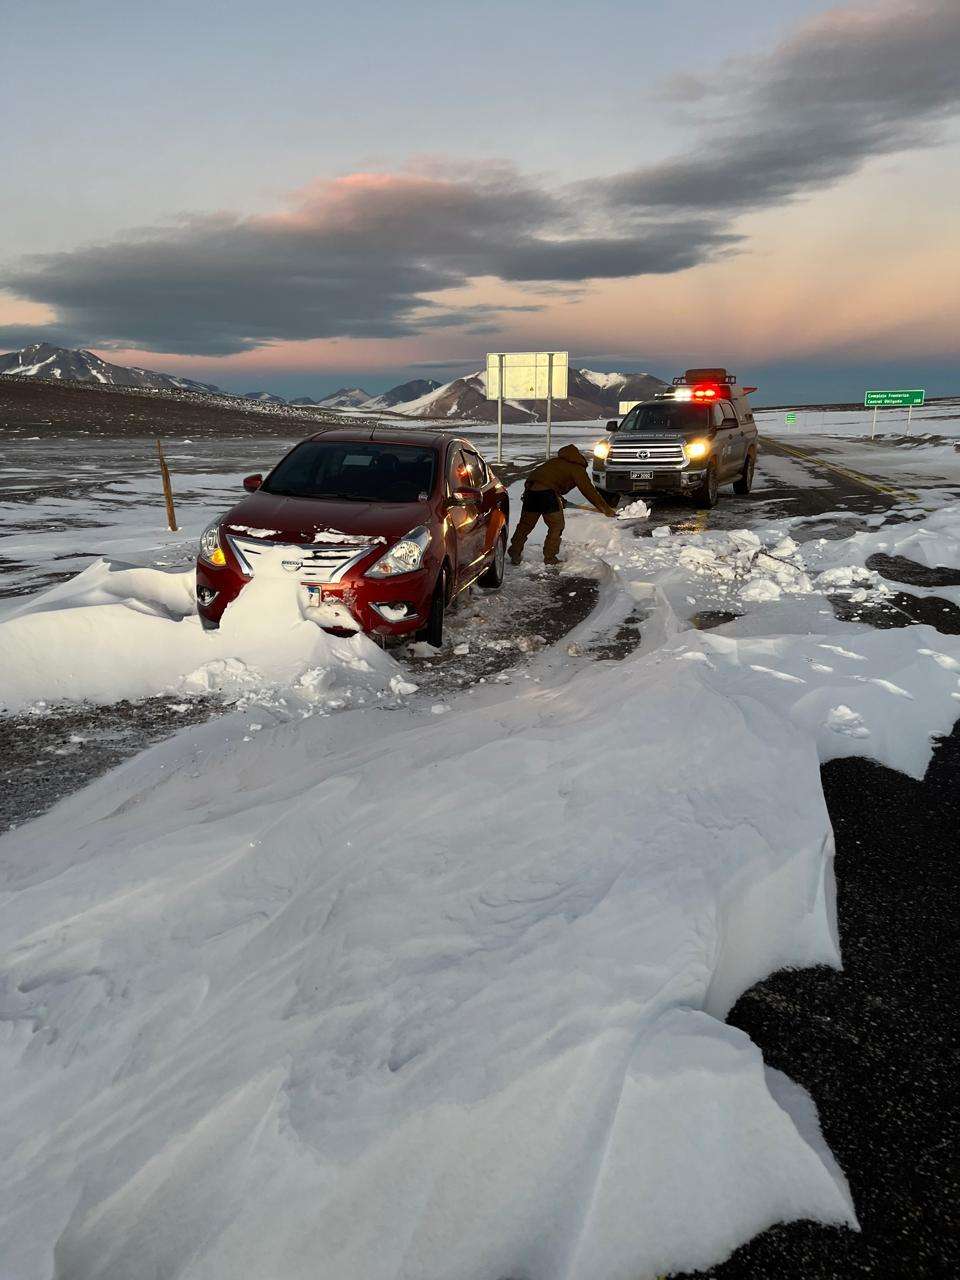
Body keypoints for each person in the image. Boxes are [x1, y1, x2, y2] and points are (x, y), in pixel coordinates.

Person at [508, 444, 617, 566]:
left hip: (530, 492)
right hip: (547, 495)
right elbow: (589, 491)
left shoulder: (554, 462)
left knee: (525, 525)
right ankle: (550, 558)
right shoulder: (576, 468)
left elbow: (542, 479)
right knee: (556, 525)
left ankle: (514, 551)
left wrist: (557, 497)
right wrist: (605, 508)